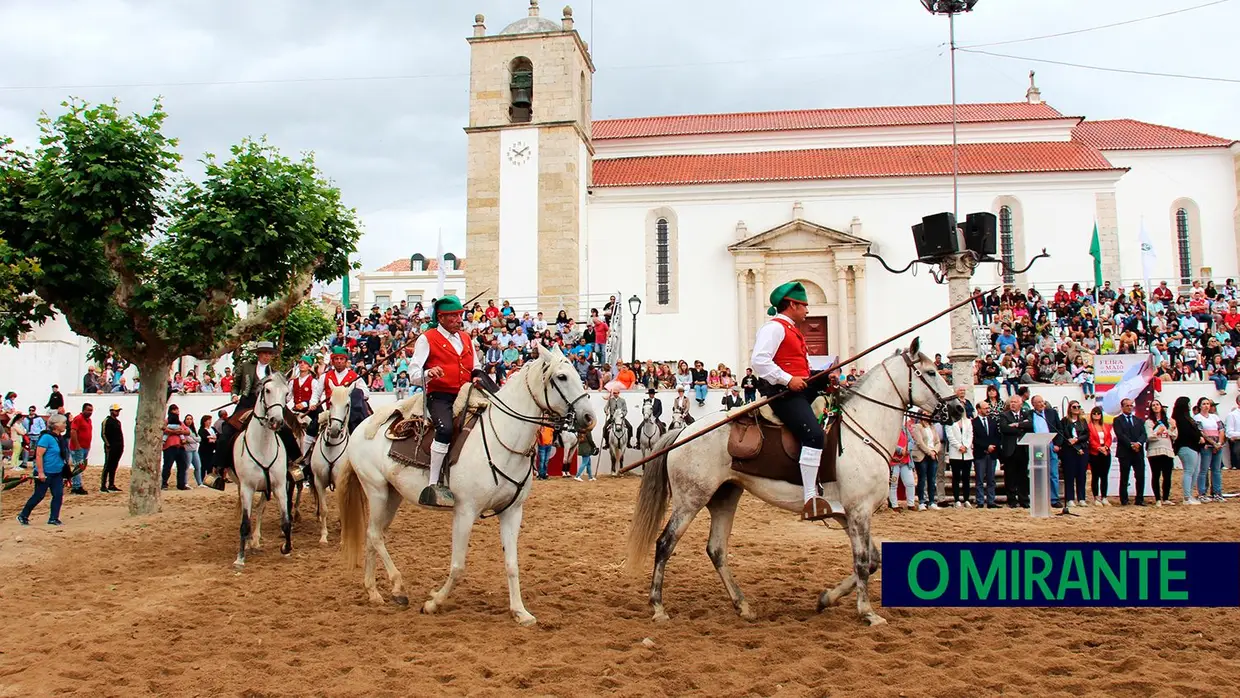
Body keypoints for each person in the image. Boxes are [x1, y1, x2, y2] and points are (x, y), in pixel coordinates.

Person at [750, 281, 836, 520]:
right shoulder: (774, 328)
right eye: (805, 306)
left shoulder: (793, 330)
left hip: (798, 389)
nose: (808, 311)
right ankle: (809, 496)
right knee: (814, 435)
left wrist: (825, 378)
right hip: (783, 394)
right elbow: (759, 361)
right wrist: (787, 380)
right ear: (792, 305)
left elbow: (802, 369)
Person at [405, 295, 492, 509]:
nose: (458, 319)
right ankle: (433, 483)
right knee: (444, 429)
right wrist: (428, 372)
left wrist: (478, 375)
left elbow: (476, 364)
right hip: (440, 394)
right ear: (441, 317)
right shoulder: (428, 338)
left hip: (466, 392)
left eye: (459, 315)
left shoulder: (465, 337)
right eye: (453, 315)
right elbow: (413, 372)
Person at [208, 341, 302, 490]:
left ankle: (293, 464)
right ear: (258, 354)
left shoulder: (274, 373)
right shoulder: (246, 367)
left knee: (285, 430)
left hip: (268, 406)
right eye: (264, 353)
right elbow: (236, 384)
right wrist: (234, 395)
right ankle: (218, 470)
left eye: (269, 354)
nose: (267, 356)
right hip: (246, 403)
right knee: (227, 431)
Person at [16, 414, 70, 526]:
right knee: (39, 495)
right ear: (55, 425)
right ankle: (23, 515)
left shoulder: (59, 438)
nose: (65, 425)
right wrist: (40, 472)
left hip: (57, 472)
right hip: (45, 472)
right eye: (63, 423)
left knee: (58, 495)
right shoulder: (46, 437)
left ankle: (54, 518)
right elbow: (39, 455)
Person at [287, 355, 324, 483]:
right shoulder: (293, 382)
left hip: (311, 412)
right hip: (297, 411)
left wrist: (306, 404)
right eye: (300, 362)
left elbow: (316, 397)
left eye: (304, 363)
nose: (302, 364)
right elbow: (288, 397)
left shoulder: (314, 382)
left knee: (313, 431)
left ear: (309, 366)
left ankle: (307, 459)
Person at [998, 395, 1033, 508]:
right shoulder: (1004, 415)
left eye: (1015, 402)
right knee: (1010, 476)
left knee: (1023, 475)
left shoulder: (1026, 414)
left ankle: (1024, 499)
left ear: (1020, 404)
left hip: (1023, 449)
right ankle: (1012, 500)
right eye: (1011, 402)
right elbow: (1005, 428)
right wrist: (1021, 429)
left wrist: (1017, 425)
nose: (1012, 404)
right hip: (1010, 449)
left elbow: (1031, 425)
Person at [1028, 395, 1062, 508]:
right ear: (1033, 404)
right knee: (1039, 472)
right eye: (1038, 402)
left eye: (1042, 401)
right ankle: (1039, 497)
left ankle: (1054, 499)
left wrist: (1057, 444)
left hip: (1051, 445)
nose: (1042, 404)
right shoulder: (1029, 414)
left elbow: (1059, 428)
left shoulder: (1051, 413)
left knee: (1053, 473)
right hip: (1038, 446)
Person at [1113, 398, 1148, 506]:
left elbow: (1144, 434)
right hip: (1125, 452)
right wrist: (1131, 444)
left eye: (1130, 405)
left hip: (1138, 452)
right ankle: (1124, 499)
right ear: (1122, 407)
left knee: (1140, 476)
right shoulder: (1117, 420)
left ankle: (1140, 499)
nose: (1129, 407)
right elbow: (1120, 434)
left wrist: (1139, 444)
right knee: (1124, 476)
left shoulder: (1138, 420)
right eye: (1127, 405)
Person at [1171, 396, 1204, 505]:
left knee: (1195, 471)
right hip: (1186, 446)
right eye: (1188, 403)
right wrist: (1198, 438)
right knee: (1189, 471)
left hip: (1194, 447)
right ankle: (1186, 497)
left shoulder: (1188, 417)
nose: (1190, 405)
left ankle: (1189, 494)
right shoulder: (1180, 419)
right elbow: (1185, 432)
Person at [1057, 400, 1089, 508]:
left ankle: (1081, 498)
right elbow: (1063, 433)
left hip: (1081, 448)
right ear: (1070, 408)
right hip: (1069, 450)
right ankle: (1070, 498)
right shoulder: (1065, 421)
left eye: (1078, 406)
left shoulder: (1083, 421)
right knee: (1069, 475)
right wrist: (1069, 440)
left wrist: (1078, 440)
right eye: (1074, 407)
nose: (1076, 408)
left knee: (1081, 475)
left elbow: (1086, 434)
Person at [1144, 400, 1176, 506]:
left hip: (1167, 449)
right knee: (1156, 475)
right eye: (1153, 405)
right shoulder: (1149, 422)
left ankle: (1166, 498)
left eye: (1157, 405)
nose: (1155, 407)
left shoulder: (1168, 420)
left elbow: (1173, 435)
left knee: (1167, 475)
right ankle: (1158, 498)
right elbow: (1148, 437)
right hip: (1154, 451)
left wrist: (1173, 427)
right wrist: (1158, 432)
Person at [1194, 397, 1224, 502]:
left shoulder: (1215, 417)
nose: (1206, 406)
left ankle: (1217, 492)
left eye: (1208, 404)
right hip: (1206, 446)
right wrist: (1213, 443)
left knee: (1217, 470)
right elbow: (1201, 432)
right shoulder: (1197, 418)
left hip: (1217, 445)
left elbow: (1221, 429)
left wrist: (1219, 443)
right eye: (1204, 404)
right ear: (1200, 406)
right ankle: (1202, 493)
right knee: (1204, 470)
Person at [972, 400, 1000, 508]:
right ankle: (980, 501)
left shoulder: (992, 421)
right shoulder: (974, 422)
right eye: (985, 408)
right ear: (979, 410)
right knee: (979, 478)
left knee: (991, 479)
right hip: (980, 453)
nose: (988, 410)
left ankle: (991, 501)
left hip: (992, 454)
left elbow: (997, 436)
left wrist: (993, 446)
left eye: (988, 408)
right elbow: (975, 439)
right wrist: (986, 447)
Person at [945, 408, 973, 507]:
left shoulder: (968, 422)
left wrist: (965, 446)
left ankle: (966, 499)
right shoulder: (950, 422)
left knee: (966, 477)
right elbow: (950, 437)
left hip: (967, 453)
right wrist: (959, 446)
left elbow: (970, 435)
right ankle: (957, 499)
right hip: (955, 453)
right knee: (956, 477)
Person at [1087, 406, 1113, 506]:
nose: (1096, 415)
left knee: (1104, 475)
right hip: (1095, 453)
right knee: (1095, 475)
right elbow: (1090, 439)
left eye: (1098, 413)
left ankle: (1104, 496)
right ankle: (1096, 497)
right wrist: (1098, 447)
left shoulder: (1106, 426)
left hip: (1105, 452)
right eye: (1094, 413)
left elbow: (1109, 438)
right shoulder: (1089, 426)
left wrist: (1106, 447)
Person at [161, 405, 191, 490]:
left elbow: (188, 431)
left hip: (180, 447)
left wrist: (180, 431)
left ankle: (181, 484)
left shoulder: (180, 422)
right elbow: (163, 429)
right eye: (175, 410)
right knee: (167, 466)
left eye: (177, 410)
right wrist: (174, 431)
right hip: (169, 446)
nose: (177, 412)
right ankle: (164, 483)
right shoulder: (166, 421)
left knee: (182, 466)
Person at [68, 403, 94, 495]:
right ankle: (76, 486)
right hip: (78, 448)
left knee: (80, 467)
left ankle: (76, 484)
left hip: (85, 447)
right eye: (88, 410)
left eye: (91, 410)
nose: (90, 412)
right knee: (78, 466)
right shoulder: (78, 418)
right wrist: (77, 445)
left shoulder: (89, 420)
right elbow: (73, 431)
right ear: (83, 410)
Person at [100, 404, 124, 492]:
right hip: (110, 447)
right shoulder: (107, 421)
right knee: (107, 466)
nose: (117, 412)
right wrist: (108, 445)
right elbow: (103, 434)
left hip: (118, 447)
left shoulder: (118, 422)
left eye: (118, 411)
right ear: (111, 411)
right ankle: (103, 485)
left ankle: (111, 484)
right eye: (116, 410)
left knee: (114, 466)